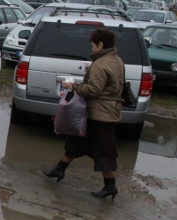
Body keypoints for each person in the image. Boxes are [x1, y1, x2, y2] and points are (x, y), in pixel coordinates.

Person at [42, 28, 125, 199]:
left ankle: (110, 186)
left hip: (100, 114)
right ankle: (59, 170)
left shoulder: (100, 64)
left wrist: (73, 86)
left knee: (104, 151)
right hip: (105, 111)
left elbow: (93, 90)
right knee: (75, 140)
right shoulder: (116, 60)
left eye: (93, 45)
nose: (92, 48)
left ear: (100, 45)